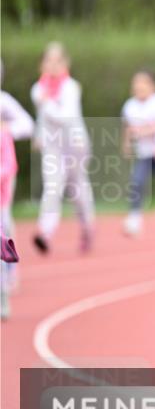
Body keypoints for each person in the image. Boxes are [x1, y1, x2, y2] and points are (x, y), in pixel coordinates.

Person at [30, 42, 95, 255]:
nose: (53, 64)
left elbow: (65, 117)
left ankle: (87, 228)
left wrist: (47, 103)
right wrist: (39, 135)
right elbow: (42, 118)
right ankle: (45, 232)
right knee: (52, 186)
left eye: (58, 60)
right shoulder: (38, 89)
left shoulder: (71, 87)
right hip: (53, 146)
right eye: (48, 60)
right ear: (42, 64)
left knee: (77, 190)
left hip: (75, 144)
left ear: (66, 63)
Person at [121, 69, 155, 237]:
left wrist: (147, 133)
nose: (139, 86)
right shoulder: (130, 106)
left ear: (153, 86)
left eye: (143, 83)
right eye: (136, 83)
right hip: (144, 153)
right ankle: (134, 218)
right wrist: (127, 143)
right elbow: (128, 128)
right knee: (136, 182)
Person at [1, 62, 34, 320]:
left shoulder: (4, 102)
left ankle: (9, 269)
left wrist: (7, 129)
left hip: (3, 176)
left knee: (3, 225)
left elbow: (28, 124)